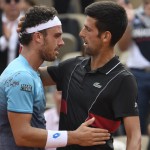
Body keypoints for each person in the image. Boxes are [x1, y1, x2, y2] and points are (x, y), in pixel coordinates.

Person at [0, 5, 111, 150]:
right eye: (57, 36)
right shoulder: (22, 77)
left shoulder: (28, 71)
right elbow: (22, 135)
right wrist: (74, 137)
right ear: (38, 37)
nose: (62, 42)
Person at [37, 1, 141, 150]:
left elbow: (135, 136)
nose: (81, 33)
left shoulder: (123, 79)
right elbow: (32, 75)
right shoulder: (71, 66)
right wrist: (27, 38)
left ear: (105, 36)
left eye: (87, 29)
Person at [117, 0, 150, 135]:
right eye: (147, 3)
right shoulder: (134, 16)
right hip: (138, 74)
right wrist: (128, 23)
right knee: (137, 120)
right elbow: (122, 47)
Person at [0, 0, 22, 74]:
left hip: (21, 74)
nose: (13, 4)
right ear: (2, 3)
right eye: (8, 1)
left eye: (17, 0)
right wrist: (5, 39)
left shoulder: (28, 21)